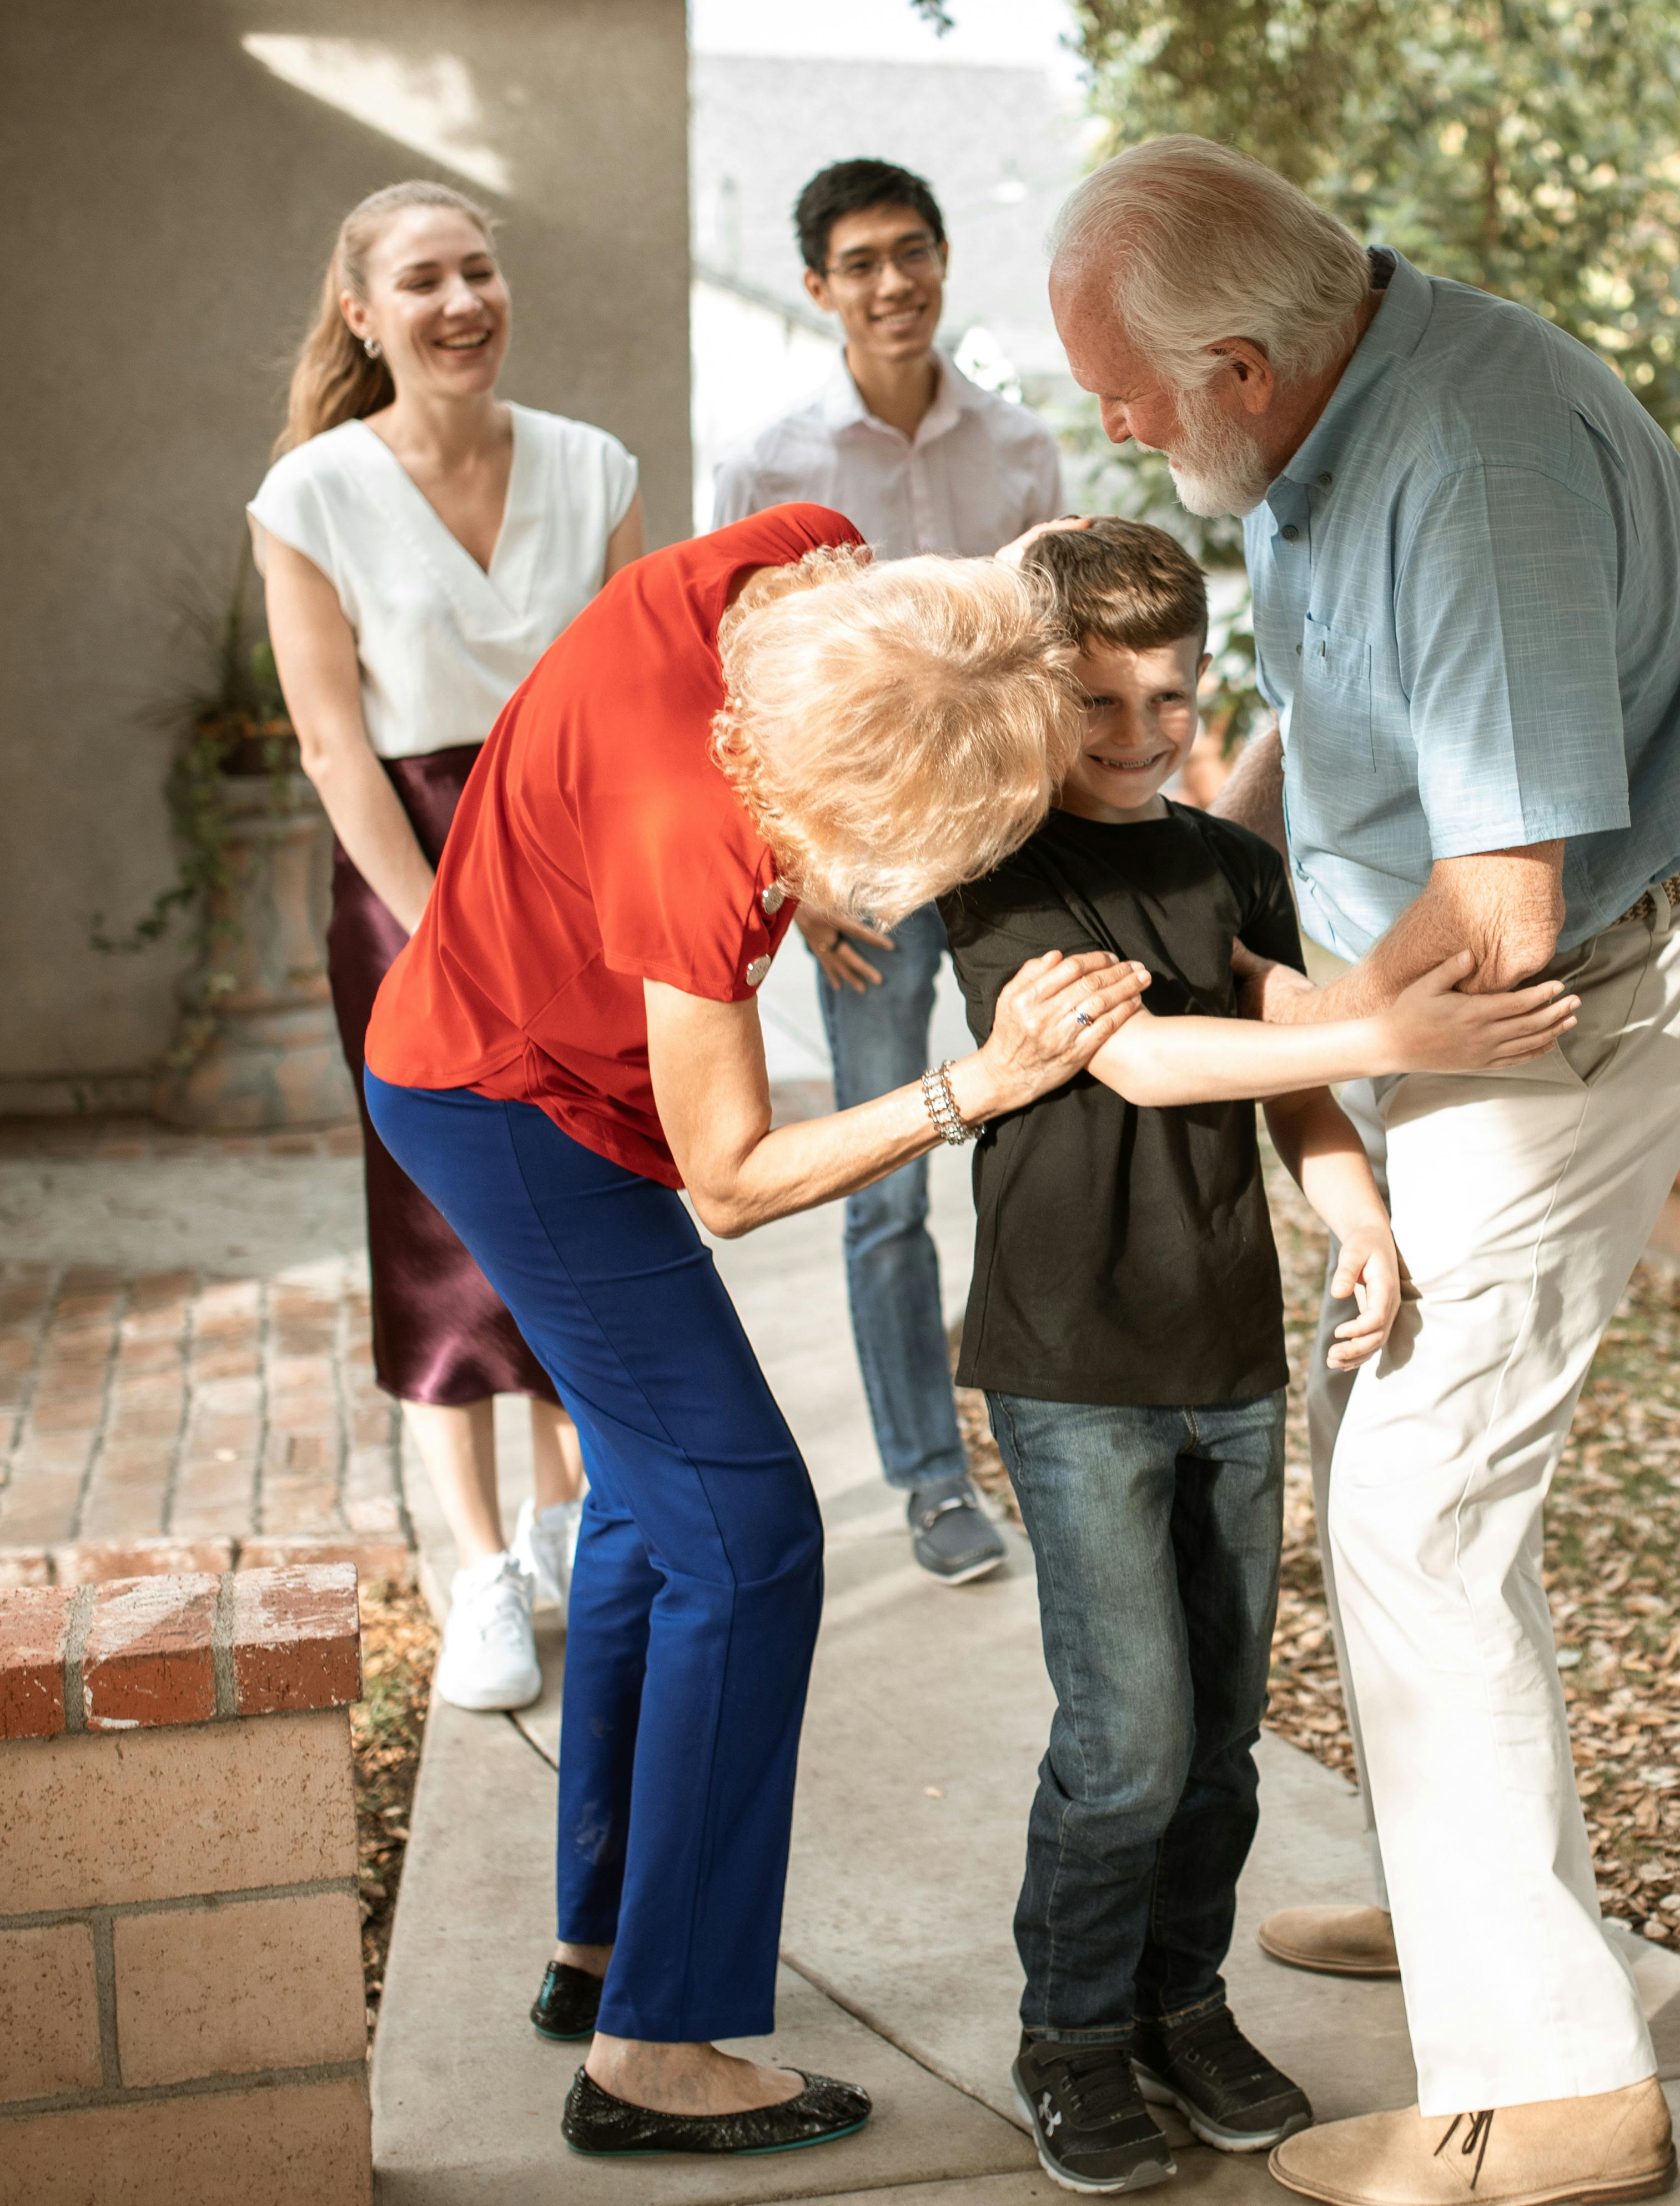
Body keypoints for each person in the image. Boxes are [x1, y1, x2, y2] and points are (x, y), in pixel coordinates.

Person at [1050, 138, 1680, 2206]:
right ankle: (1474, 1904)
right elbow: (1322, 721)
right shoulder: (1314, 449)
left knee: (1416, 1497)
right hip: (1461, 980)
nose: (1109, 421)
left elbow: (1510, 908)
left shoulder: (1472, 466)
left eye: (1125, 391)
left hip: (1565, 996)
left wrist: (1305, 1037)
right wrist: (1184, 849)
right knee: (1398, 1435)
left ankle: (1553, 2089)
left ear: (1243, 363)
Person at [362, 503, 1148, 2162]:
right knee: (751, 1539)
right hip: (513, 1107)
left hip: (493, 1038)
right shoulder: (691, 839)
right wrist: (972, 1087)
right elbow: (728, 1180)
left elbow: (992, 599)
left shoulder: (788, 558)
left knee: (660, 1511)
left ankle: (601, 1950)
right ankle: (658, 2047)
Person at [944, 522, 1578, 2195]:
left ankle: (1180, 2001)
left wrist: (1353, 1213)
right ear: (1035, 694)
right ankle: (1069, 2033)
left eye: (1168, 693)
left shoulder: (1226, 859)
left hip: (1223, 1353)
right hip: (1074, 1361)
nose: (1139, 731)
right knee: (1128, 1732)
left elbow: (1283, 1074)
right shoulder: (1002, 867)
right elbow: (1143, 1060)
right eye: (1097, 702)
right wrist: (1397, 1034)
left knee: (1222, 1719)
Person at [250, 179, 639, 1715]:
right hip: (404, 874)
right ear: (361, 314)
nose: (461, 301)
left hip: (575, 866)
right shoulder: (310, 497)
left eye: (479, 270)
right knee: (441, 1216)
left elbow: (625, 708)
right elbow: (337, 752)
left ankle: (562, 1523)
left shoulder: (590, 466)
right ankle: (476, 1564)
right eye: (422, 280)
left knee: (588, 1181)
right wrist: (448, 933)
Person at [706, 158, 1069, 1588]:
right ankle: (930, 1481)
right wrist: (798, 884)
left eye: (912, 252)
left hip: (1006, 854)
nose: (893, 282)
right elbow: (730, 685)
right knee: (888, 1186)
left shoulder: (1021, 450)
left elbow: (1052, 655)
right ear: (819, 289)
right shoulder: (770, 463)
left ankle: (1051, 1442)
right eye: (860, 262)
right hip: (861, 882)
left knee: (1039, 1149)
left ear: (940, 259)